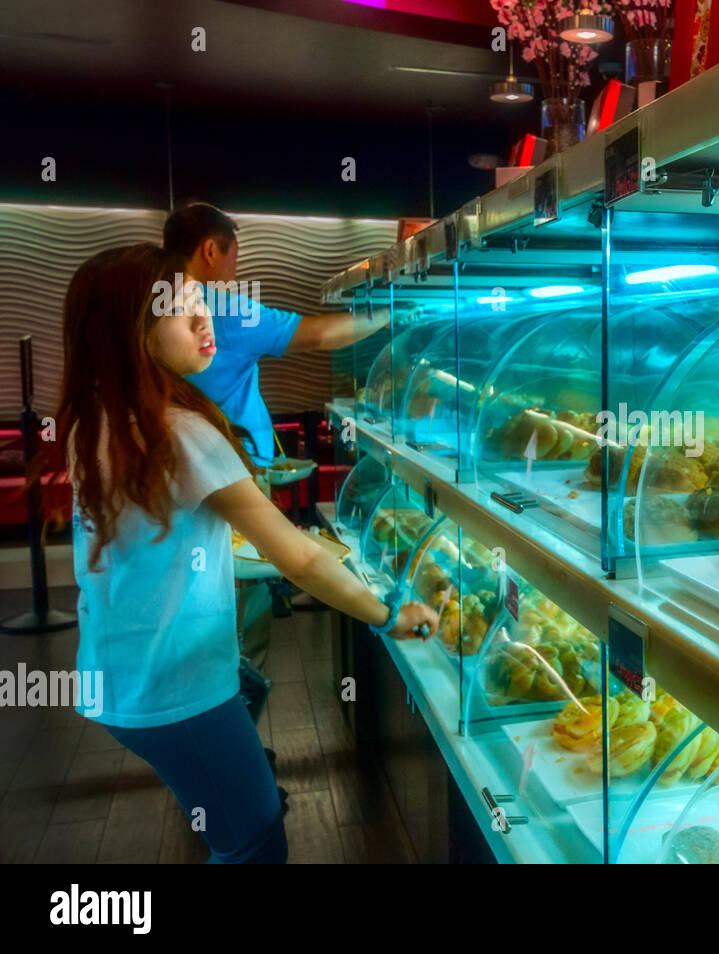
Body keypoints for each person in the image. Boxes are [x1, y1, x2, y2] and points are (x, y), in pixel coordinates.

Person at [54, 244, 438, 863]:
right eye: (183, 314)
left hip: (118, 674)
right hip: (174, 687)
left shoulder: (94, 421)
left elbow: (159, 544)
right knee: (254, 839)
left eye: (200, 306)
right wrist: (391, 614)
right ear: (133, 333)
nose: (206, 323)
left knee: (240, 764)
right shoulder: (182, 434)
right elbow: (300, 558)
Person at [161, 202, 399, 679]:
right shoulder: (223, 307)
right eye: (234, 257)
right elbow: (321, 335)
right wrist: (398, 309)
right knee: (240, 616)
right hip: (232, 480)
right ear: (211, 249)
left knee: (196, 602)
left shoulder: (153, 304)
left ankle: (207, 712)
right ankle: (233, 724)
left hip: (174, 487)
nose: (235, 269)